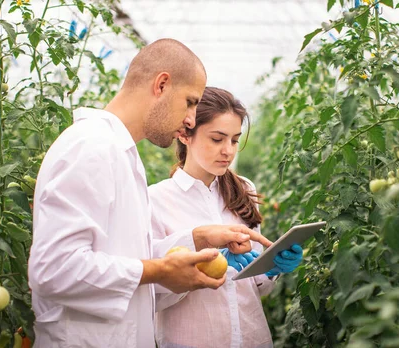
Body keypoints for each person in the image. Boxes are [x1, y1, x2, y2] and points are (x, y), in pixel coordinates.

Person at [27, 39, 272, 348]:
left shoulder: (121, 154)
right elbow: (53, 270)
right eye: (190, 102)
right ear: (162, 85)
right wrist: (158, 270)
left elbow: (125, 259)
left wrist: (197, 238)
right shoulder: (91, 148)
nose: (191, 120)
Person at [149, 87, 304, 348]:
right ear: (186, 134)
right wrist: (201, 264)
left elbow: (257, 287)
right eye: (217, 139)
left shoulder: (243, 189)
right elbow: (151, 296)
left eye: (234, 140)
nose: (228, 151)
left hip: (252, 337)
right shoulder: (155, 200)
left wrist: (271, 267)